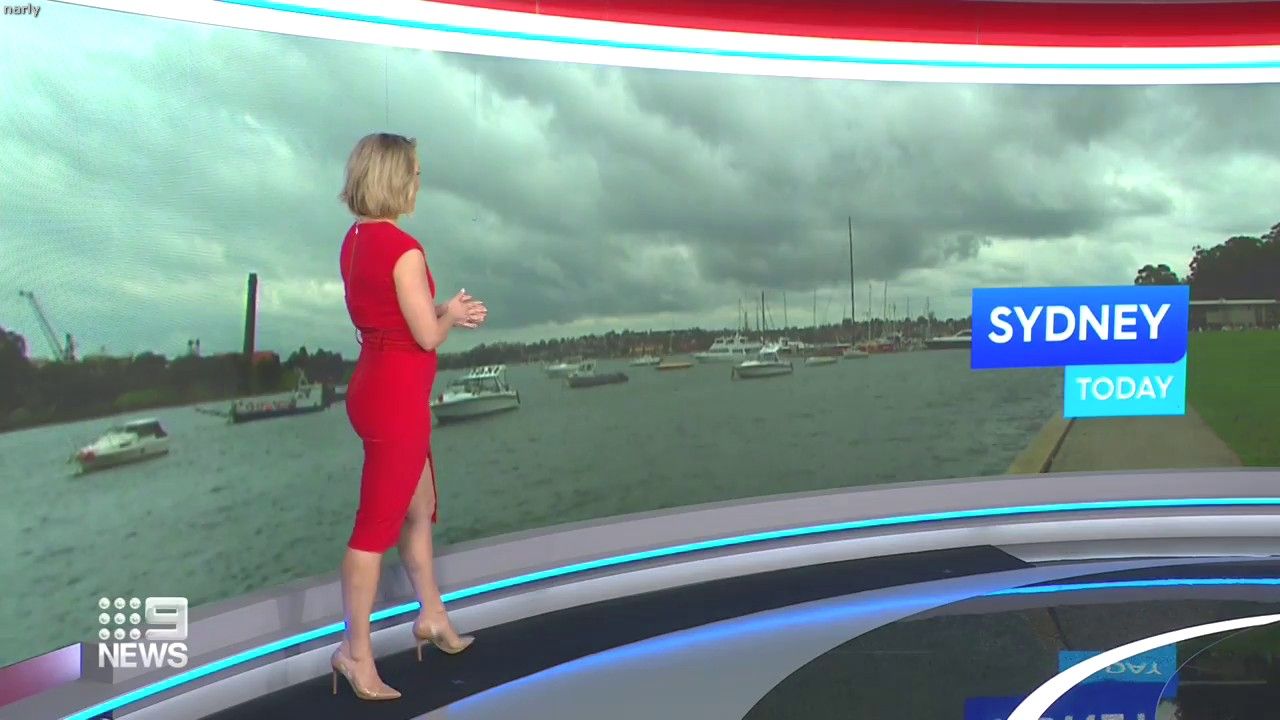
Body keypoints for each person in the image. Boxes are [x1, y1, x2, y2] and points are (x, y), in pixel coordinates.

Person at [331, 132, 487, 701]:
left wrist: (439, 310)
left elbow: (388, 317)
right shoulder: (405, 249)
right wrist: (454, 314)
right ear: (396, 179)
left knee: (418, 508)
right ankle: (355, 656)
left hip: (372, 387)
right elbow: (425, 335)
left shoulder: (354, 242)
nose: (419, 182)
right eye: (415, 173)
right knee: (372, 532)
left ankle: (432, 616)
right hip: (396, 400)